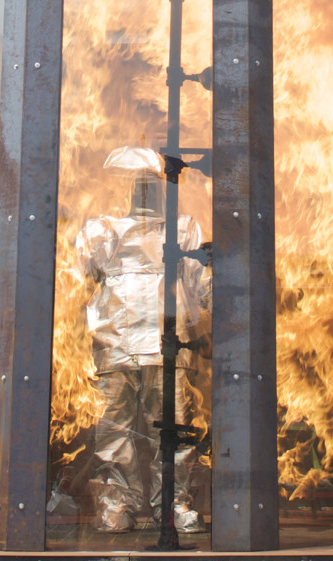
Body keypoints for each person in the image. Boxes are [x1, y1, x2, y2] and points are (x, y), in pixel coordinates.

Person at [77, 146, 211, 532]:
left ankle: (173, 502)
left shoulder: (184, 228)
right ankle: (118, 504)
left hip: (167, 340)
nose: (144, 192)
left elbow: (202, 281)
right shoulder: (101, 229)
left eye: (151, 184)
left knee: (173, 425)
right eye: (139, 185)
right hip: (115, 338)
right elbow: (84, 271)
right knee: (114, 428)